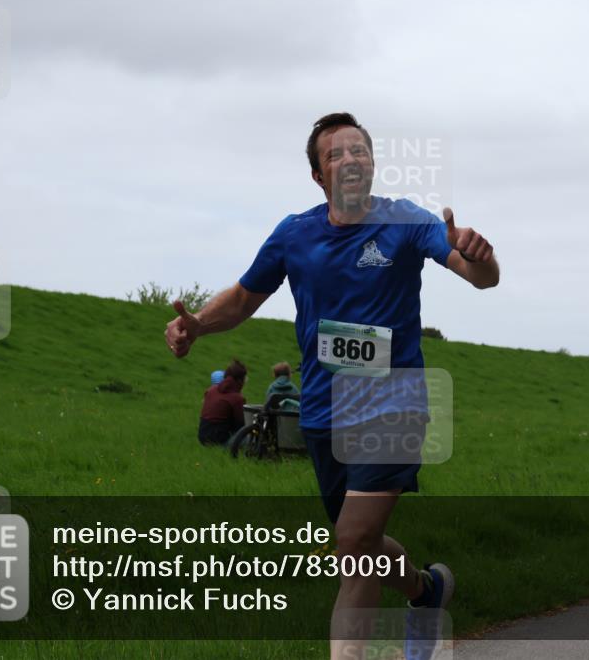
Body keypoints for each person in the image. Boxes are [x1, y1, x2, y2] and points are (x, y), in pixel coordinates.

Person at [165, 113, 498, 658]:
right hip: (322, 413)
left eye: (358, 150)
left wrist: (482, 258)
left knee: (352, 543)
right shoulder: (295, 234)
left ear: (372, 162)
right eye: (335, 154)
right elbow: (245, 298)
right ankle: (427, 590)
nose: (349, 159)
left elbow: (479, 275)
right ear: (319, 177)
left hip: (393, 407)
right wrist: (198, 324)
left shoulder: (406, 221)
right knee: (357, 546)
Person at [197, 359, 248, 446]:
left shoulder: (211, 390)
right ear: (240, 380)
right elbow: (241, 423)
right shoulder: (237, 398)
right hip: (219, 441)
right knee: (252, 437)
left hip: (202, 438)